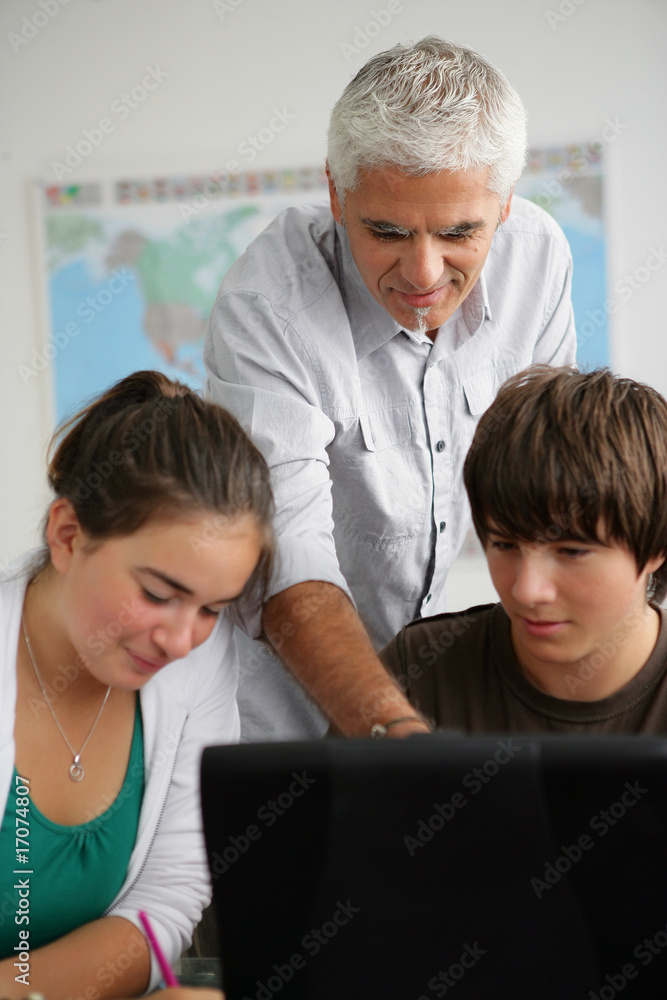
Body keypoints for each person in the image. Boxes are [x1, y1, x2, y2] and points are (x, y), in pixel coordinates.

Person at [204, 36, 576, 742]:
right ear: (336, 195)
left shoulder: (538, 257)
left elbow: (552, 483)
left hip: (435, 687)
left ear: (504, 204)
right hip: (276, 716)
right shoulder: (268, 306)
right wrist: (398, 740)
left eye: (458, 233)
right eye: (388, 232)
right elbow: (288, 558)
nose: (423, 274)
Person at [0, 371, 274, 999]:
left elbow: (166, 899)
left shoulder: (197, 664)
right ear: (68, 536)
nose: (180, 641)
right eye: (157, 593)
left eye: (211, 609)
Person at [380, 365, 667, 733]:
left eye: (571, 552)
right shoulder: (417, 669)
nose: (526, 591)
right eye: (504, 544)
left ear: (657, 544)